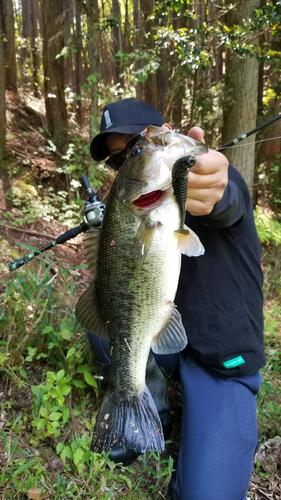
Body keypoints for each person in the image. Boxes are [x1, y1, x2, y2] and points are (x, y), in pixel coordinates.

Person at [87, 98, 266, 500]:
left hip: (219, 359)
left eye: (135, 147)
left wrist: (213, 183)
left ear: (167, 133)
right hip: (168, 331)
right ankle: (151, 407)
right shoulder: (131, 204)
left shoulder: (213, 177)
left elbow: (223, 194)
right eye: (117, 162)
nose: (123, 166)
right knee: (106, 328)